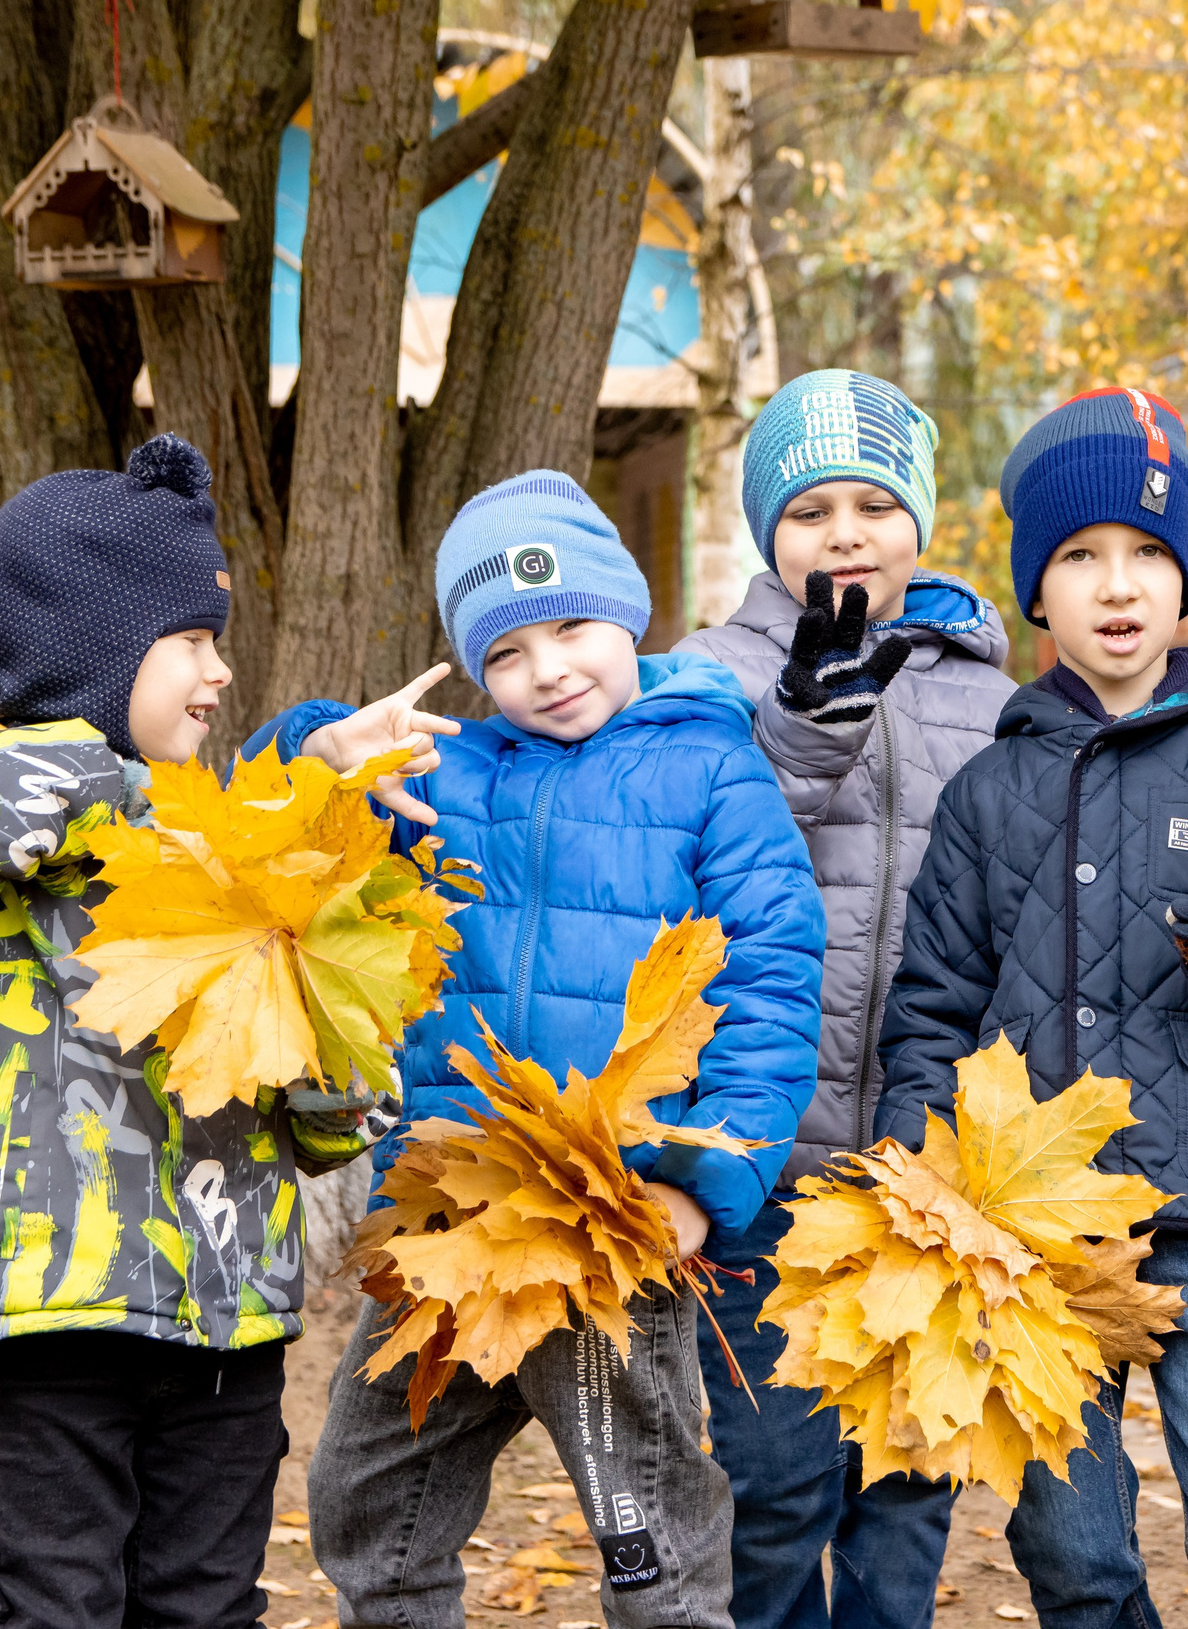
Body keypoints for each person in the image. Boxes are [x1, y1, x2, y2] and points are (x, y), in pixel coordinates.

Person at [253, 470, 824, 1629]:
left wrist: (700, 1186)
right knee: (369, 1496)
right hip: (449, 1216)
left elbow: (771, 984)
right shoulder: (443, 774)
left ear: (626, 613)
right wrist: (320, 753)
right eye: (507, 653)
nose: (548, 670)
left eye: (570, 628)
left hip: (608, 1219)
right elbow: (276, 852)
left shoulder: (711, 768)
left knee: (645, 1535)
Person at [0, 435, 385, 1629]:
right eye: (190, 640)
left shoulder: (218, 849)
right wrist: (239, 797)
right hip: (41, 1316)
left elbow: (327, 1125)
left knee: (207, 1605)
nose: (220, 671)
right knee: (59, 1604)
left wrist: (320, 922)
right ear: (82, 652)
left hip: (225, 1318)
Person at [875, 387, 1188, 1629]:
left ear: (1185, 578)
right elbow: (934, 1006)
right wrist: (919, 1192)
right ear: (1034, 594)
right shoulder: (989, 789)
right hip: (1031, 1229)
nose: (1118, 584)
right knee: (1071, 1554)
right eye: (1081, 557)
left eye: (1149, 554)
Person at [674, 370, 1015, 1629]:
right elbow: (692, 845)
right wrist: (806, 724)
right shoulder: (708, 675)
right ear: (767, 531)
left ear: (919, 518)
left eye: (875, 505)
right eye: (810, 511)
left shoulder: (988, 695)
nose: (846, 536)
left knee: (907, 1481)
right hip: (765, 1151)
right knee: (774, 1482)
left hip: (931, 1161)